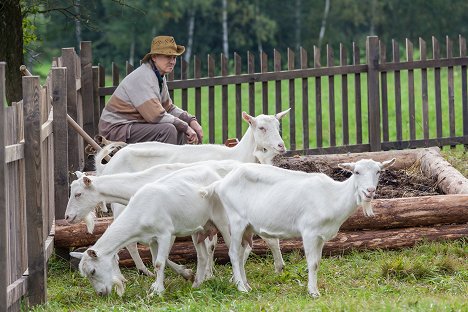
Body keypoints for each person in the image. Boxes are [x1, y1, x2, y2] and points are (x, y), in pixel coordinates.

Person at [98, 35, 203, 145]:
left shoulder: (159, 76)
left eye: (174, 57)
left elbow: (168, 108)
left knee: (177, 127)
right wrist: (186, 126)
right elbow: (156, 116)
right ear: (154, 57)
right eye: (168, 56)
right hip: (115, 130)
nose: (172, 61)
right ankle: (165, 162)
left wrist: (191, 120)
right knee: (168, 130)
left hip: (131, 126)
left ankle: (178, 161)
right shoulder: (143, 77)